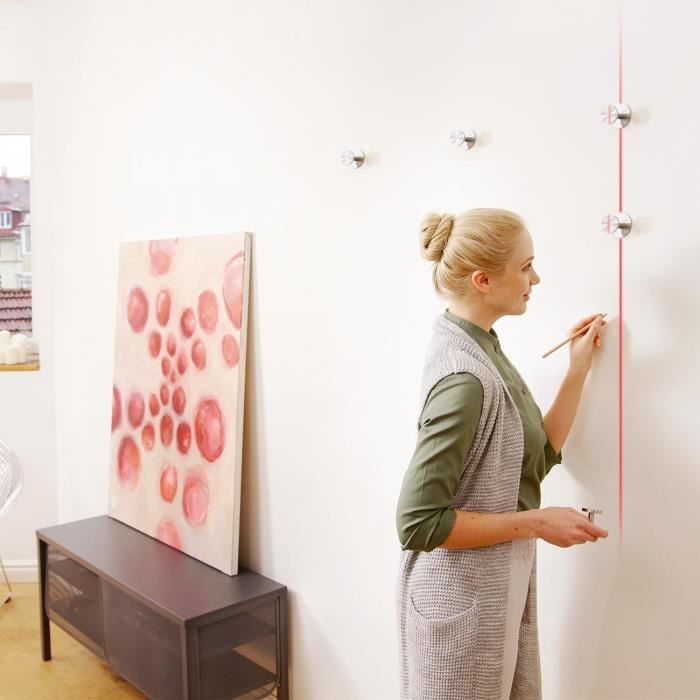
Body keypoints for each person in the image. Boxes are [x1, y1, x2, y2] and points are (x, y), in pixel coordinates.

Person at [395, 208, 609, 699]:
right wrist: (537, 522)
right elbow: (417, 523)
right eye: (526, 266)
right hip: (458, 603)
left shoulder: (484, 347)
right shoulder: (464, 377)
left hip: (492, 590)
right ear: (483, 280)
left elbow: (537, 455)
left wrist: (578, 369)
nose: (536, 279)